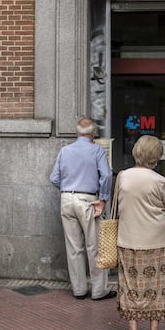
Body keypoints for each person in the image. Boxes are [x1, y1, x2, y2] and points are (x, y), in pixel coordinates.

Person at [117, 135, 165, 330]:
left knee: (130, 285)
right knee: (156, 287)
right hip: (156, 240)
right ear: (157, 156)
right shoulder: (159, 181)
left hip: (129, 238)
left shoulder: (123, 177)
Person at [50, 117, 116, 301]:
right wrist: (103, 199)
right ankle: (98, 290)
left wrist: (68, 189)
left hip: (66, 198)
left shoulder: (65, 151)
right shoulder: (97, 150)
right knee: (94, 246)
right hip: (88, 200)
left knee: (74, 247)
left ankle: (79, 289)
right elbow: (107, 175)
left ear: (77, 132)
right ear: (93, 133)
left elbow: (54, 178)